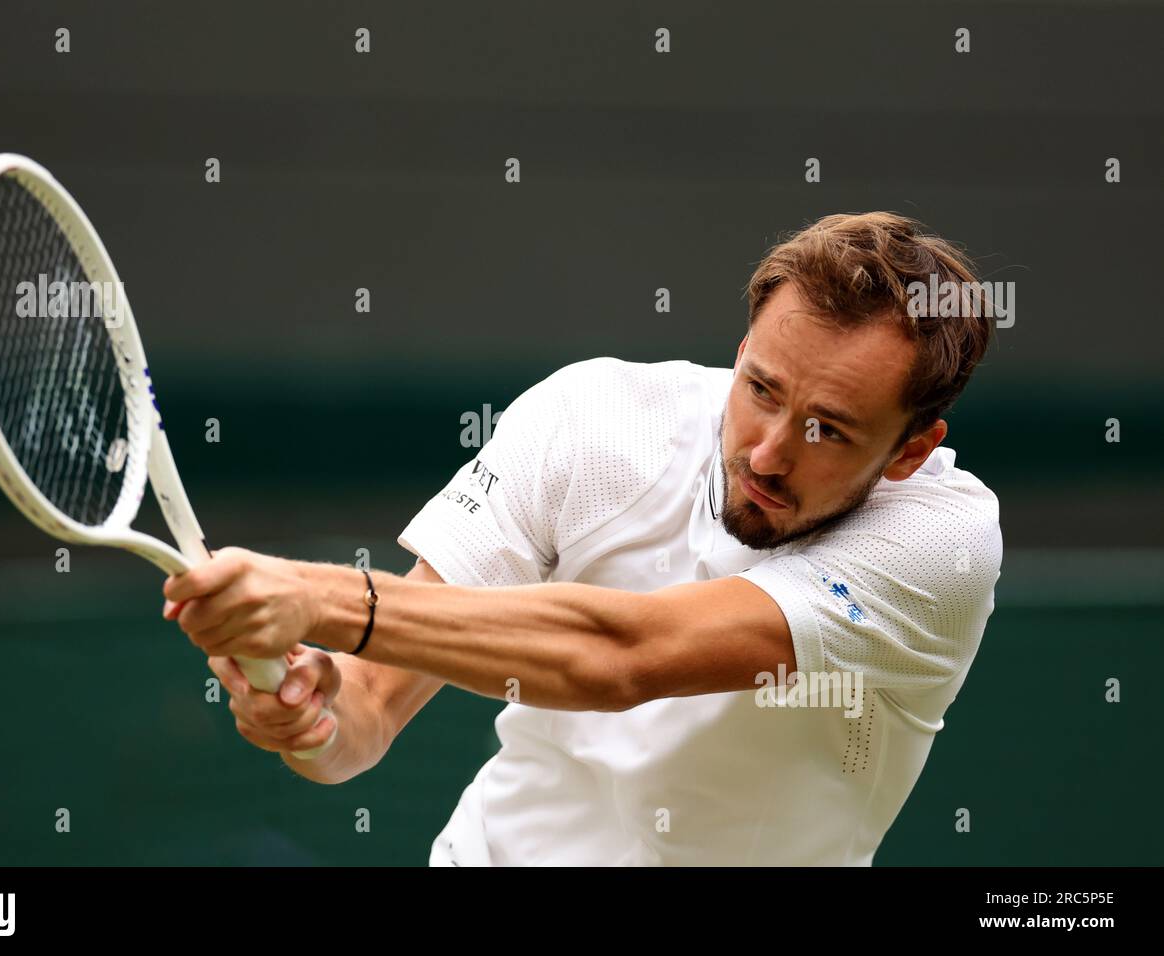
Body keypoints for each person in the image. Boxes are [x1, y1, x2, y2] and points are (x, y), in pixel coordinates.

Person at [163, 212, 1003, 865]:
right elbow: (369, 713)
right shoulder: (593, 421)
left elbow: (621, 658)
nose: (771, 452)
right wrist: (317, 713)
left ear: (911, 449)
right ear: (743, 348)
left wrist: (316, 599)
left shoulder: (941, 546)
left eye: (828, 429)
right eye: (761, 388)